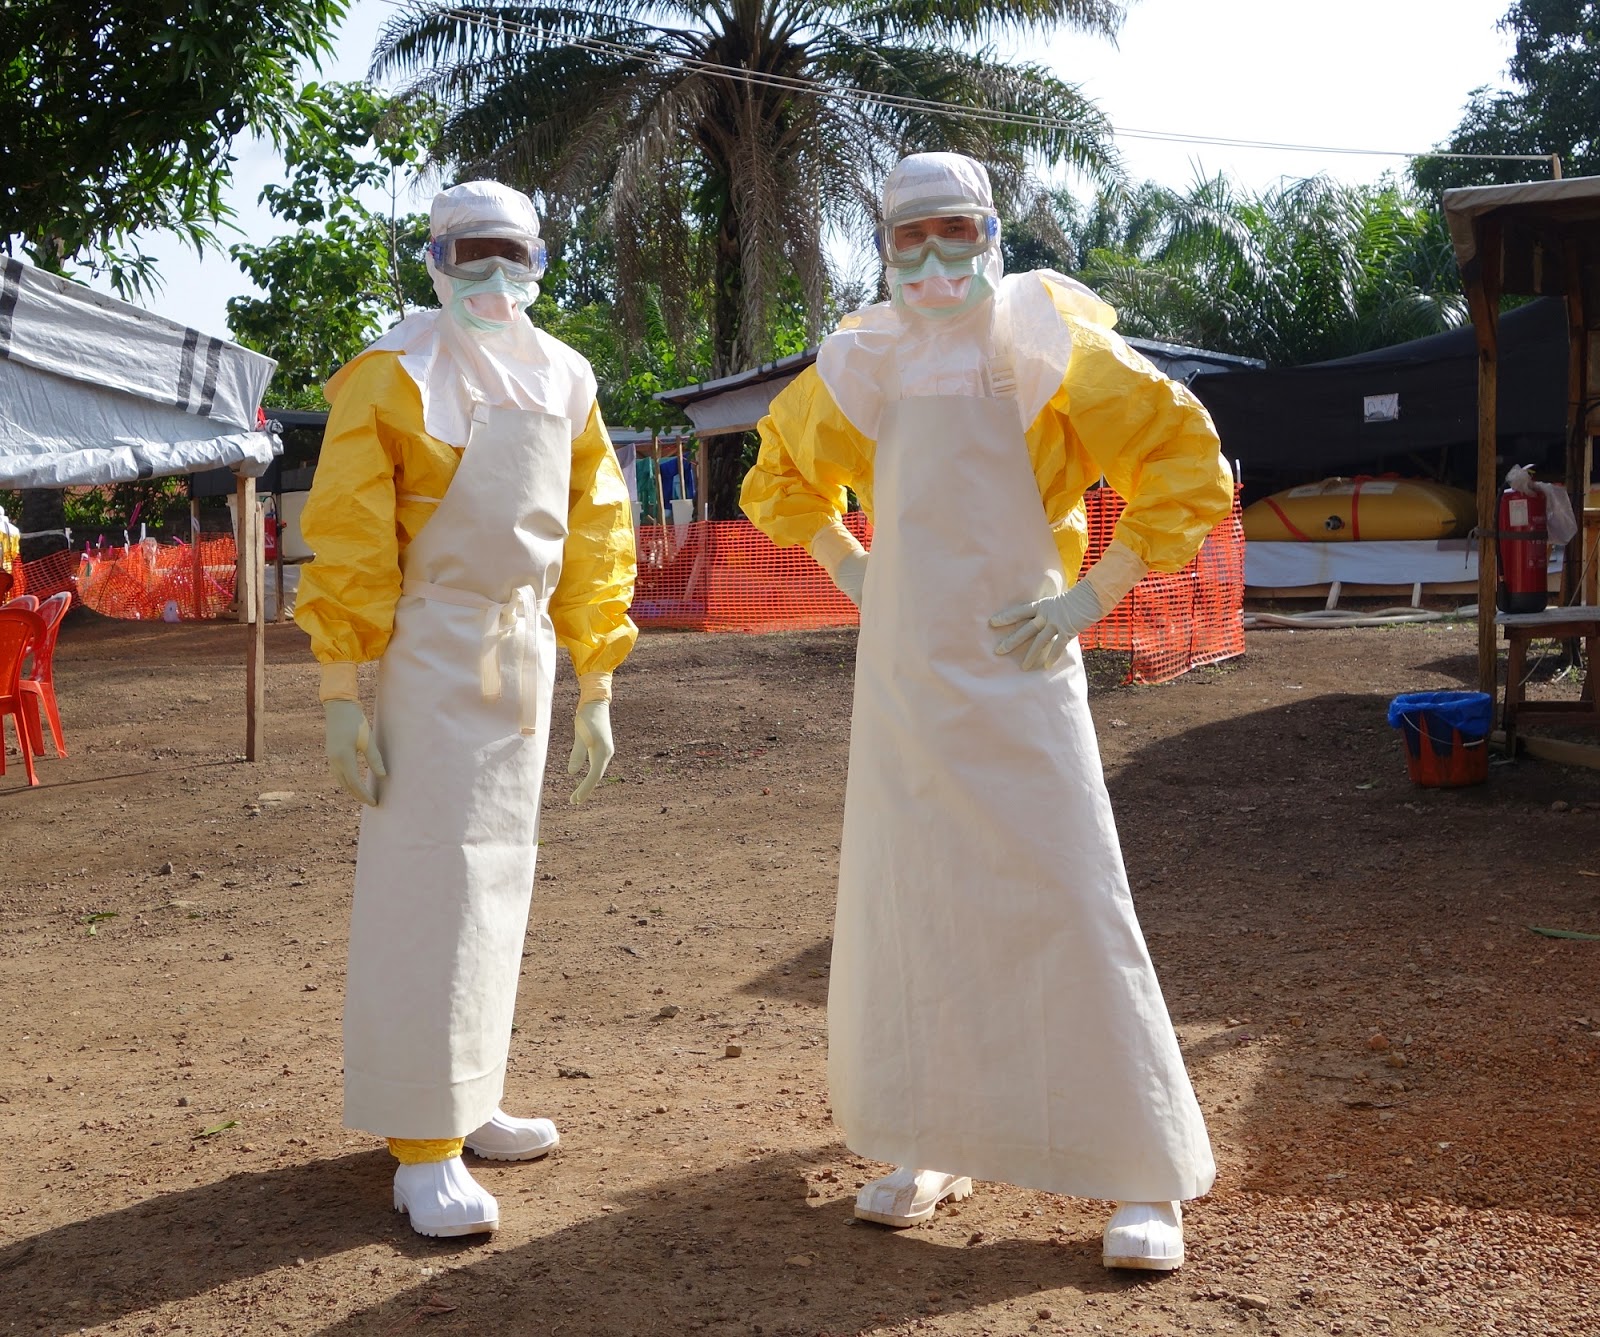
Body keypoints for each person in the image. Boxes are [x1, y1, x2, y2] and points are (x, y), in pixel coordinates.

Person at [740, 152, 1230, 1271]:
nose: (931, 256)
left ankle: (1143, 1169)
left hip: (1021, 656)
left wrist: (1094, 593)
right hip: (906, 672)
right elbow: (778, 473)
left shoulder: (1048, 344)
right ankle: (931, 1138)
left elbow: (1181, 457)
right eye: (906, 236)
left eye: (952, 229)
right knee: (918, 896)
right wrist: (851, 564)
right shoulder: (864, 359)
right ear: (883, 247)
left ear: (991, 231)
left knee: (1067, 886)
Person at [295, 180, 637, 1238]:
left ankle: (468, 1092)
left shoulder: (565, 376)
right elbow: (349, 534)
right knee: (427, 886)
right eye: (469, 253)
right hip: (429, 652)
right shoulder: (392, 374)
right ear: (435, 260)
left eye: (512, 255)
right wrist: (342, 691)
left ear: (539, 260)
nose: (492, 276)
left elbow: (596, 526)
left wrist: (597, 677)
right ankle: (421, 1145)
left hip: (520, 657)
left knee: (495, 882)